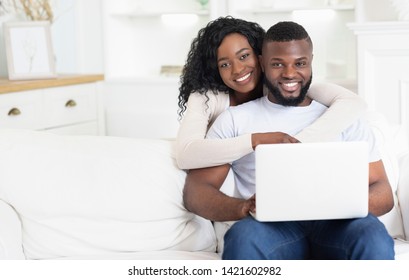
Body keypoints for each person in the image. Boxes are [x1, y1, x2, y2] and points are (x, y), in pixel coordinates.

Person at [183, 21, 395, 260]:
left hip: (338, 224)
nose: (290, 73)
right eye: (277, 64)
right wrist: (243, 207)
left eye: (300, 63)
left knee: (373, 237)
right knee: (243, 240)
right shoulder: (234, 120)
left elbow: (383, 192)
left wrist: (342, 203)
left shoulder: (343, 116)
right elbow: (196, 191)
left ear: (311, 61)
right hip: (271, 226)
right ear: (262, 63)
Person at [176, 16, 367, 170]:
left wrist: (299, 144)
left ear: (261, 58)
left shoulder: (281, 84)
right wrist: (257, 140)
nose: (238, 70)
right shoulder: (206, 97)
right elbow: (185, 155)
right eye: (225, 64)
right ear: (215, 68)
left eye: (244, 56)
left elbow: (353, 102)